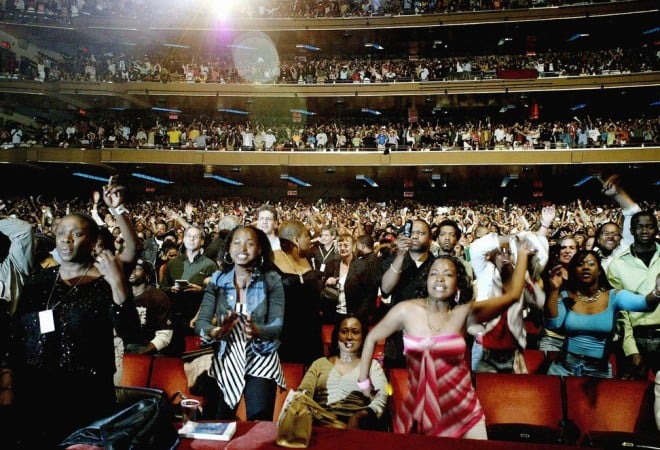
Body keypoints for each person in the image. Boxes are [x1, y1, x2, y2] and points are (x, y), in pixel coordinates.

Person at [358, 240, 535, 439]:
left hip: (465, 412)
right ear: (426, 280)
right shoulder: (406, 310)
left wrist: (523, 253)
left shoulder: (465, 313)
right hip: (421, 412)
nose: (440, 279)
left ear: (458, 283)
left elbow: (512, 295)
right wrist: (364, 382)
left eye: (448, 274)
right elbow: (372, 336)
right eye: (434, 273)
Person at [0, 213, 139, 448]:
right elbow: (18, 334)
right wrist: (7, 380)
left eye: (76, 234)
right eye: (62, 233)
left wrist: (118, 285)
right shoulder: (39, 280)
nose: (67, 240)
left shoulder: (105, 282)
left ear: (93, 241)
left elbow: (132, 333)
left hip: (86, 395)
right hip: (35, 392)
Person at [195, 225, 286, 421]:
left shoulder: (272, 280)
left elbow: (277, 326)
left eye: (250, 243)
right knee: (216, 422)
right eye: (236, 243)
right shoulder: (218, 280)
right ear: (228, 249)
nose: (242, 248)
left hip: (261, 356)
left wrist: (257, 330)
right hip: (224, 356)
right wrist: (215, 331)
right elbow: (201, 322)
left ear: (260, 249)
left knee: (258, 424)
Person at [545, 249, 660, 378]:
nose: (585, 268)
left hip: (599, 372)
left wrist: (657, 292)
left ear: (599, 270)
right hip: (564, 370)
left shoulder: (614, 296)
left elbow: (645, 304)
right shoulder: (566, 297)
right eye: (580, 264)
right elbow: (552, 324)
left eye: (591, 264)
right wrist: (554, 290)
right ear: (574, 271)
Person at [469, 231, 548, 373]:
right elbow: (475, 248)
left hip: (512, 352)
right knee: (481, 392)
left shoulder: (523, 278)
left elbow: (540, 302)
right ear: (493, 256)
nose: (505, 255)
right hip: (483, 350)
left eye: (510, 252)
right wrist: (510, 238)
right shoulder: (485, 272)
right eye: (500, 252)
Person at [297, 314, 388, 430]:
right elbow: (302, 395)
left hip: (356, 429)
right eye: (344, 331)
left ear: (363, 337)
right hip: (318, 427)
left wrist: (360, 416)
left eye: (355, 332)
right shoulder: (319, 364)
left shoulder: (372, 366)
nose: (349, 337)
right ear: (337, 336)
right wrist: (321, 418)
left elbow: (382, 396)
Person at [608, 210, 660, 379]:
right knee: (634, 400)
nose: (644, 231)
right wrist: (631, 350)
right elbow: (621, 313)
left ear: (657, 229)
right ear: (631, 230)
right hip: (636, 339)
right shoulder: (617, 264)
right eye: (639, 227)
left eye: (650, 226)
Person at [378, 219, 435, 368]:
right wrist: (401, 255)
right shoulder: (393, 260)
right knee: (396, 385)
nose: (415, 236)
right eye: (412, 233)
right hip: (398, 338)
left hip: (428, 337)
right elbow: (385, 289)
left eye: (421, 233)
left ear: (430, 239)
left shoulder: (437, 265)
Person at [160, 225, 217, 356]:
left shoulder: (210, 265)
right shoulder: (173, 263)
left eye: (195, 237)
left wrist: (200, 289)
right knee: (173, 355)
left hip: (198, 314)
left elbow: (216, 293)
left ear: (202, 241)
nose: (191, 239)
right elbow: (162, 287)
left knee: (195, 355)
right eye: (188, 236)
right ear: (184, 239)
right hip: (175, 313)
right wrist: (171, 288)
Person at [274, 220, 324, 365]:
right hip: (286, 334)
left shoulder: (308, 257)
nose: (310, 240)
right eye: (307, 236)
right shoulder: (271, 261)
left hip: (312, 333)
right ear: (296, 240)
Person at [322, 233, 378, 325]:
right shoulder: (331, 265)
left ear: (353, 246)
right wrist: (326, 282)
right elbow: (323, 288)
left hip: (355, 315)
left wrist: (358, 316)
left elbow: (369, 294)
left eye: (346, 245)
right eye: (340, 245)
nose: (342, 248)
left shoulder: (362, 266)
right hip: (335, 315)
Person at [124, 257, 174, 355]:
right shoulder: (120, 295)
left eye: (137, 269)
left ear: (147, 275)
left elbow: (165, 335)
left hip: (148, 348)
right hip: (123, 347)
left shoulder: (159, 297)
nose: (132, 271)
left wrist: (143, 352)